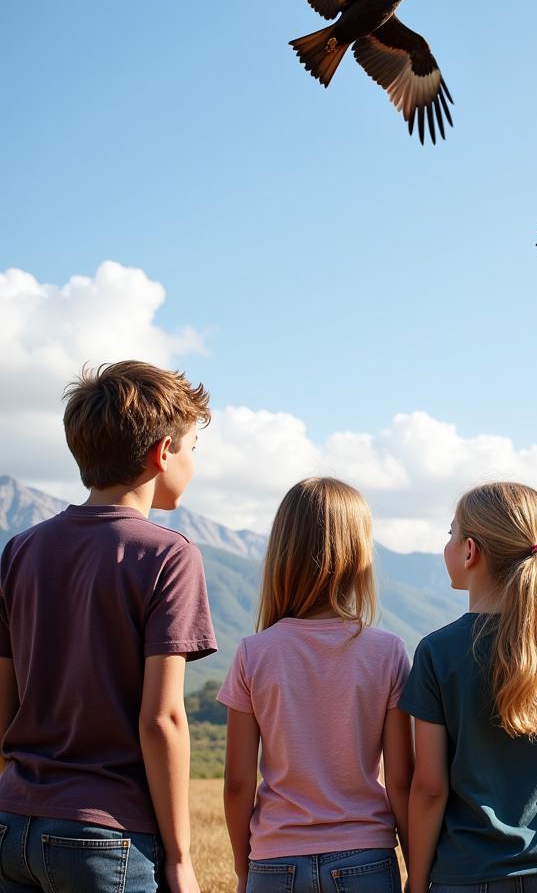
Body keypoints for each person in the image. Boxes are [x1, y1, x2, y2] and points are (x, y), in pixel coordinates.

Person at [0, 360, 217, 893]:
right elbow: (162, 719)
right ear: (162, 452)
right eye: (193, 447)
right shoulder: (169, 555)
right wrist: (182, 859)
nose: (194, 462)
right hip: (105, 835)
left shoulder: (21, 549)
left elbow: (3, 705)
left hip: (11, 824)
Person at [400, 481, 537, 893]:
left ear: (470, 550)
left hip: (464, 875)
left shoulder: (436, 652)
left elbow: (428, 787)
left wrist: (417, 881)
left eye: (450, 534)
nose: (447, 545)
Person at [219, 477, 413, 893]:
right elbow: (400, 780)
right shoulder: (388, 651)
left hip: (274, 861)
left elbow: (237, 784)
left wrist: (242, 868)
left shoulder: (254, 652)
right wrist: (417, 868)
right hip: (367, 858)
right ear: (359, 554)